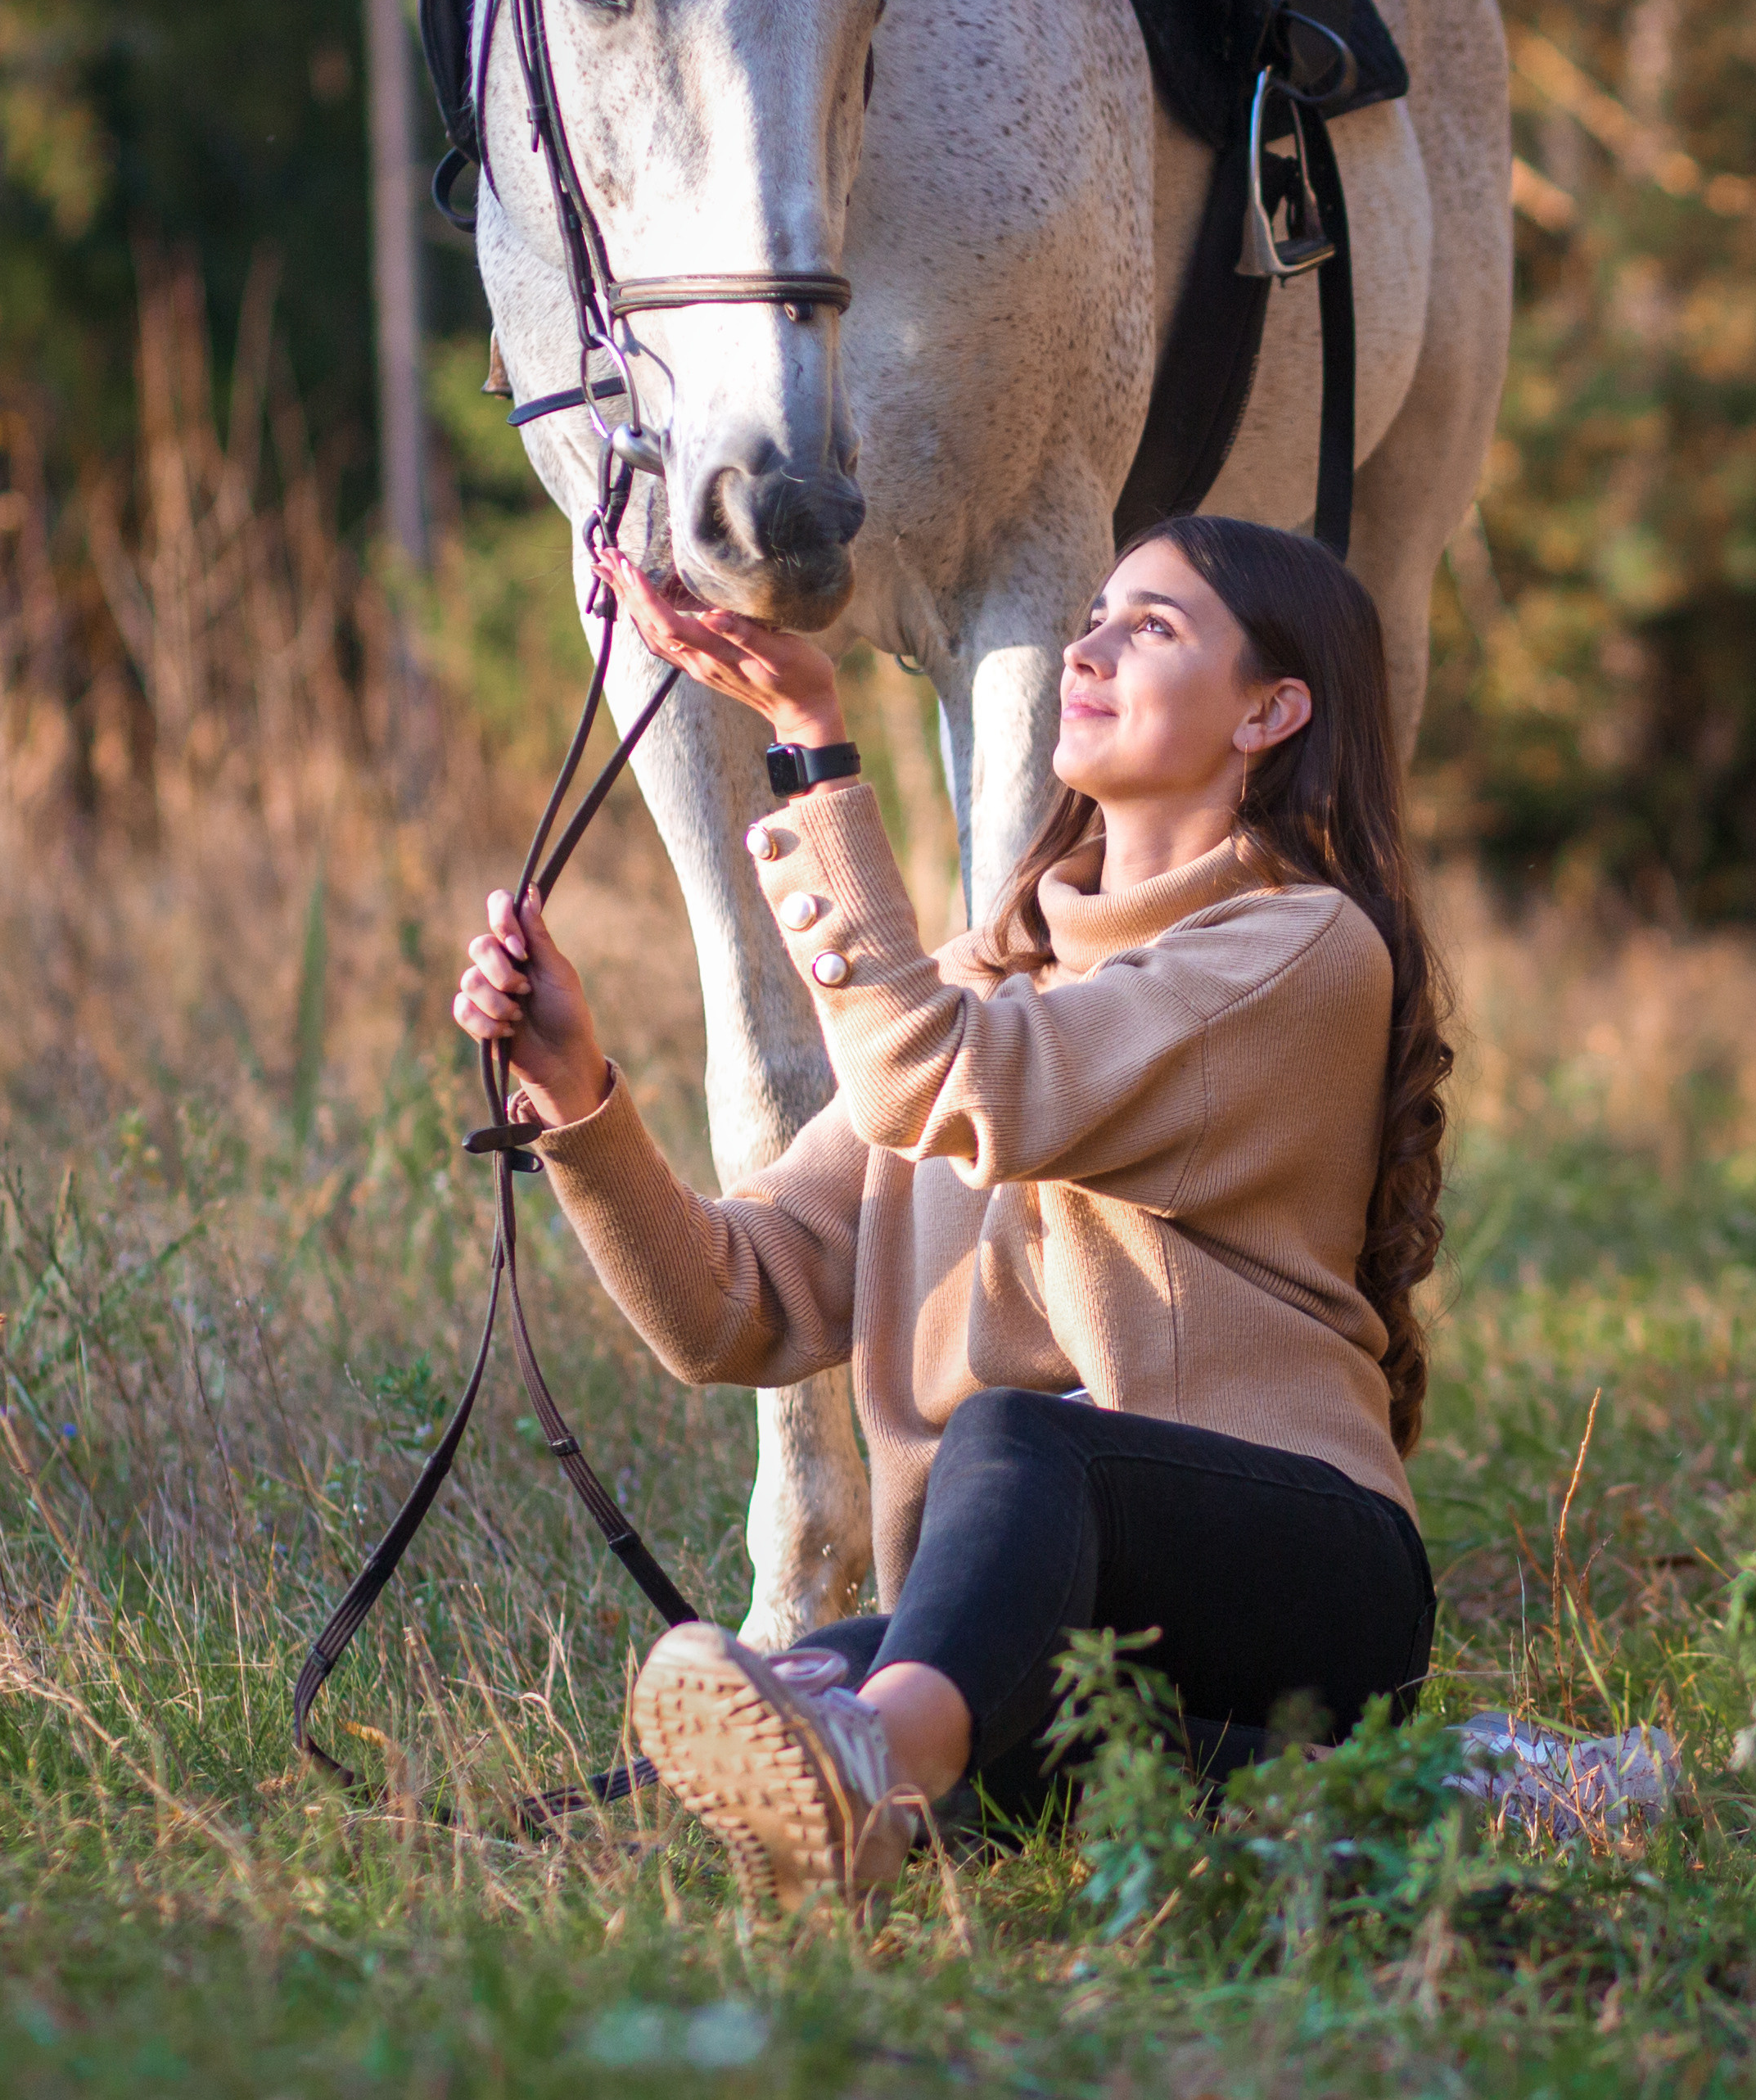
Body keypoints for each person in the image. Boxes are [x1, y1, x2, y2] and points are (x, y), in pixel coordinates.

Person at [453, 515, 1449, 1908]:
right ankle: (962, 1768)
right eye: (1092, 614)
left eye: (1150, 628)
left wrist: (810, 739)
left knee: (1018, 1443)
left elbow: (963, 1084)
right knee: (744, 1722)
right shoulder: (990, 976)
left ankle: (876, 1762)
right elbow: (728, 1309)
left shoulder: (1296, 946)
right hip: (1093, 1632)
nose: (1087, 648)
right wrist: (572, 1090)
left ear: (1270, 712)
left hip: (1305, 1582)